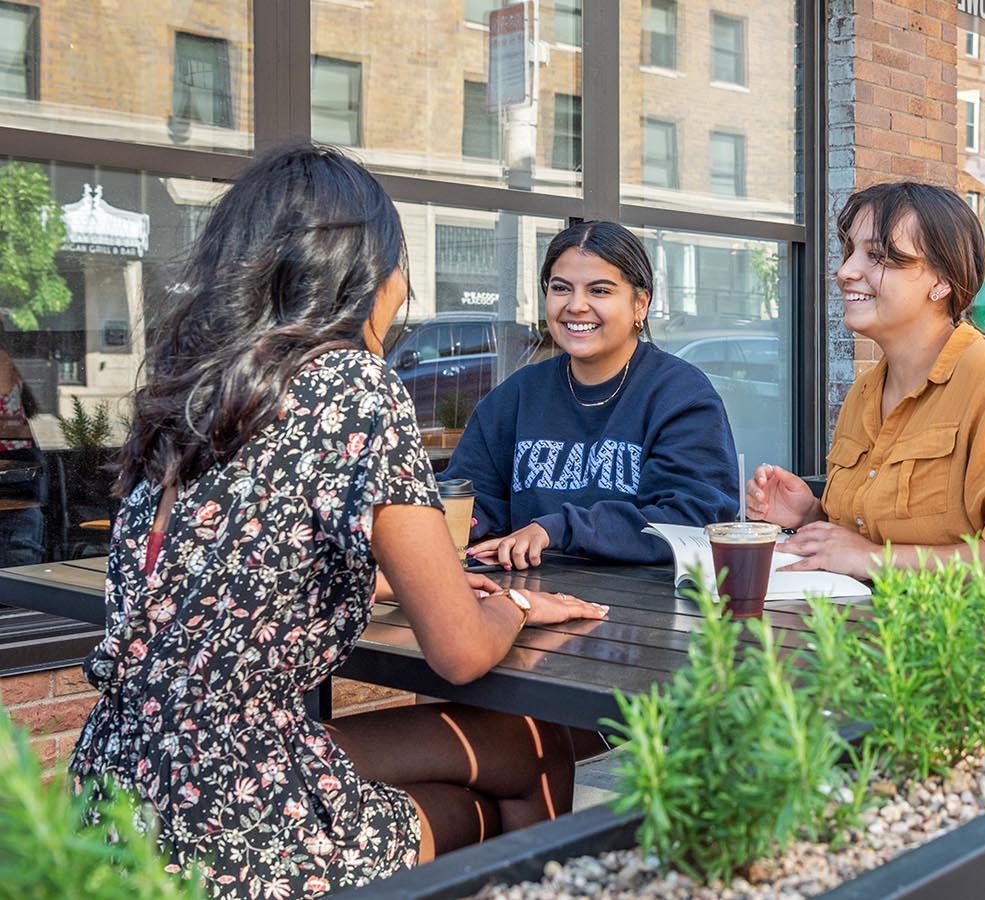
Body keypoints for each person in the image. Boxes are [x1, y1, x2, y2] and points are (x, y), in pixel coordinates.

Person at [68, 143, 609, 899]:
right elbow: (458, 654)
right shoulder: (353, 385)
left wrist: (407, 586)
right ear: (366, 272)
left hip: (121, 791)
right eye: (399, 263)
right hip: (231, 828)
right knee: (520, 768)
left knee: (519, 748)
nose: (406, 287)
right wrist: (512, 603)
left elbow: (241, 564)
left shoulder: (194, 394)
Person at [746, 181, 985, 586]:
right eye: (850, 251)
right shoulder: (865, 391)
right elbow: (866, 540)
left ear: (941, 281)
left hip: (953, 643)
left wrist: (873, 559)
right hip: (858, 634)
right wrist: (811, 517)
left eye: (878, 256)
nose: (845, 271)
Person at [444, 221, 740, 569]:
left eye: (599, 291)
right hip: (530, 599)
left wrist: (558, 528)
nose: (576, 306)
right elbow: (472, 501)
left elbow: (689, 518)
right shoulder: (517, 395)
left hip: (648, 610)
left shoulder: (681, 396)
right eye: (561, 288)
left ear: (640, 304)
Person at [0, 346, 45, 566]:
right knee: (21, 555)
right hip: (21, 474)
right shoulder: (10, 361)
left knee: (20, 553)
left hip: (16, 475)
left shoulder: (4, 362)